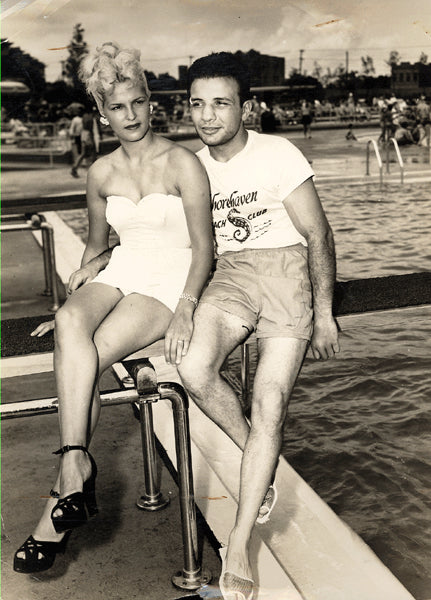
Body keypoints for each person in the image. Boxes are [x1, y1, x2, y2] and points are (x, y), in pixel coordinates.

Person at [13, 42, 213, 574]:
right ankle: (76, 464)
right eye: (118, 108)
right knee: (68, 322)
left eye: (138, 103)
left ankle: (65, 491)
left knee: (89, 356)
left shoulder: (182, 162)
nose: (131, 116)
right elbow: (100, 247)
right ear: (102, 114)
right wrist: (77, 290)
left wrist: (189, 307)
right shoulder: (100, 173)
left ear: (151, 102)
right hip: (122, 270)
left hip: (168, 279)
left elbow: (205, 248)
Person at [176, 52, 339, 600]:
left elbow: (318, 234)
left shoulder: (277, 152)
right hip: (233, 275)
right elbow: (172, 238)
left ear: (245, 107)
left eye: (220, 103)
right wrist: (100, 263)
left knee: (270, 400)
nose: (207, 115)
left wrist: (325, 314)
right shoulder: (192, 166)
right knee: (194, 367)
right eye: (197, 104)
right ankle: (258, 460)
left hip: (286, 272)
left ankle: (240, 542)